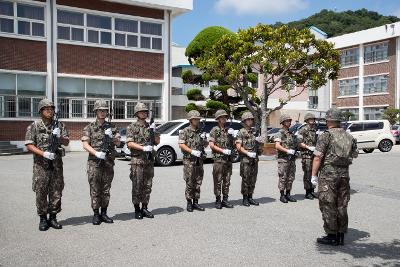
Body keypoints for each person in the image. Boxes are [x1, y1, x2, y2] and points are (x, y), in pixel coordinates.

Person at [311, 108, 358, 246]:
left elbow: (318, 157)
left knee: (328, 204)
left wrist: (313, 175)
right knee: (342, 204)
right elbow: (355, 154)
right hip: (344, 175)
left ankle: (331, 235)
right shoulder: (349, 136)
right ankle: (341, 235)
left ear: (329, 120)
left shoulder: (326, 135)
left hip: (328, 176)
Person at [25, 99, 69, 231]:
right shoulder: (34, 126)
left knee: (56, 191)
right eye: (47, 109)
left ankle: (53, 218)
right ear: (41, 111)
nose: (50, 111)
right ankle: (43, 219)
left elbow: (66, 142)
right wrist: (43, 154)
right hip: (41, 166)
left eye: (51, 109)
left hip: (56, 165)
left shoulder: (59, 125)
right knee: (41, 191)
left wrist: (59, 137)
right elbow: (29, 145)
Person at [82, 99, 121, 225]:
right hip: (94, 162)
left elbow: (119, 142)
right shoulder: (89, 127)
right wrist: (96, 153)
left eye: (104, 110)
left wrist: (112, 137)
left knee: (105, 189)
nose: (103, 112)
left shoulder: (112, 127)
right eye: (100, 110)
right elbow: (85, 144)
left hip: (108, 162)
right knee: (95, 188)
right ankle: (96, 214)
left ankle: (104, 213)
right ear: (96, 112)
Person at [126, 102, 160, 219]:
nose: (144, 113)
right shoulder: (132, 127)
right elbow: (130, 143)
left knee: (147, 185)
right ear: (137, 113)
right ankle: (137, 209)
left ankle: (145, 208)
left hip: (149, 161)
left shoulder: (150, 126)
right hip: (137, 160)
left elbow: (157, 141)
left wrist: (154, 131)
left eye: (145, 112)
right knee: (137, 185)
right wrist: (143, 148)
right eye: (141, 112)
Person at [178, 110, 208, 212]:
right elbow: (181, 144)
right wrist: (192, 151)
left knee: (198, 181)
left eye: (198, 119)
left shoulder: (200, 131)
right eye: (195, 119)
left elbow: (205, 145)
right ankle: (189, 202)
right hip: (189, 160)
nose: (197, 121)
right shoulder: (185, 131)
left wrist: (204, 140)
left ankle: (196, 202)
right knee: (190, 181)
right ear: (190, 120)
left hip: (199, 160)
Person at [235, 111, 263, 207]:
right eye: (248, 119)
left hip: (254, 160)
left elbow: (258, 148)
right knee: (246, 179)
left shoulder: (254, 132)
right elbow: (238, 147)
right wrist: (247, 153)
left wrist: (260, 143)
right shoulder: (241, 132)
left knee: (253, 179)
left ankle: (250, 197)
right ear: (244, 121)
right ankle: (245, 198)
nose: (250, 121)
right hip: (246, 160)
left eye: (251, 119)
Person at [208, 109, 235, 209]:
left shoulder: (228, 130)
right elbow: (211, 145)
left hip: (228, 160)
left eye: (225, 117)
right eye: (222, 117)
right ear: (218, 119)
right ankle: (218, 199)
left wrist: (233, 136)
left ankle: (225, 199)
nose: (224, 118)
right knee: (218, 180)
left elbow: (233, 145)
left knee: (227, 180)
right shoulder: (214, 130)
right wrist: (222, 151)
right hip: (219, 160)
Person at [274, 114, 297, 203]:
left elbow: (295, 145)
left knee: (290, 177)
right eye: (287, 121)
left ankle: (288, 194)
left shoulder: (291, 134)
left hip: (291, 159)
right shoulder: (279, 133)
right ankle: (282, 195)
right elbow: (277, 146)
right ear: (282, 122)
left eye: (290, 121)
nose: (289, 122)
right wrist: (287, 151)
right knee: (283, 177)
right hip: (283, 159)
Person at [298, 113, 318, 200]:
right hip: (306, 155)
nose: (312, 120)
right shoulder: (303, 130)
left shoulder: (314, 129)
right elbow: (299, 142)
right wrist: (308, 147)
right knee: (307, 173)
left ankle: (312, 190)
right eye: (310, 119)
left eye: (313, 119)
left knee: (314, 172)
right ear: (306, 120)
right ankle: (307, 192)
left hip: (314, 154)